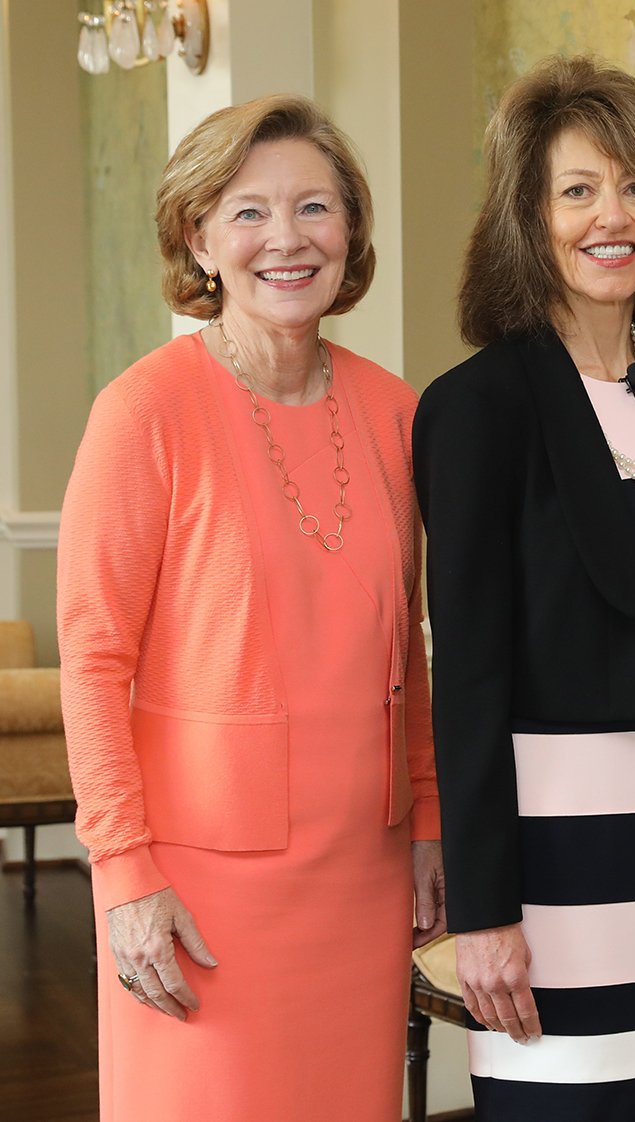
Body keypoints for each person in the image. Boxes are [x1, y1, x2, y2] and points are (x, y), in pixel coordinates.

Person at [57, 96, 441, 1122]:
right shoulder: (143, 411)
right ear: (200, 236)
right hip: (196, 891)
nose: (288, 239)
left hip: (362, 878)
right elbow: (93, 658)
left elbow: (411, 643)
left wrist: (432, 817)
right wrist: (123, 876)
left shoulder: (400, 413)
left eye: (316, 208)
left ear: (350, 232)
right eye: (250, 212)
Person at [413, 55, 635, 1120]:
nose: (615, 217)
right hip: (546, 862)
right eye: (579, 190)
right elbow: (467, 679)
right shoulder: (476, 408)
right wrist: (483, 910)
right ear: (530, 216)